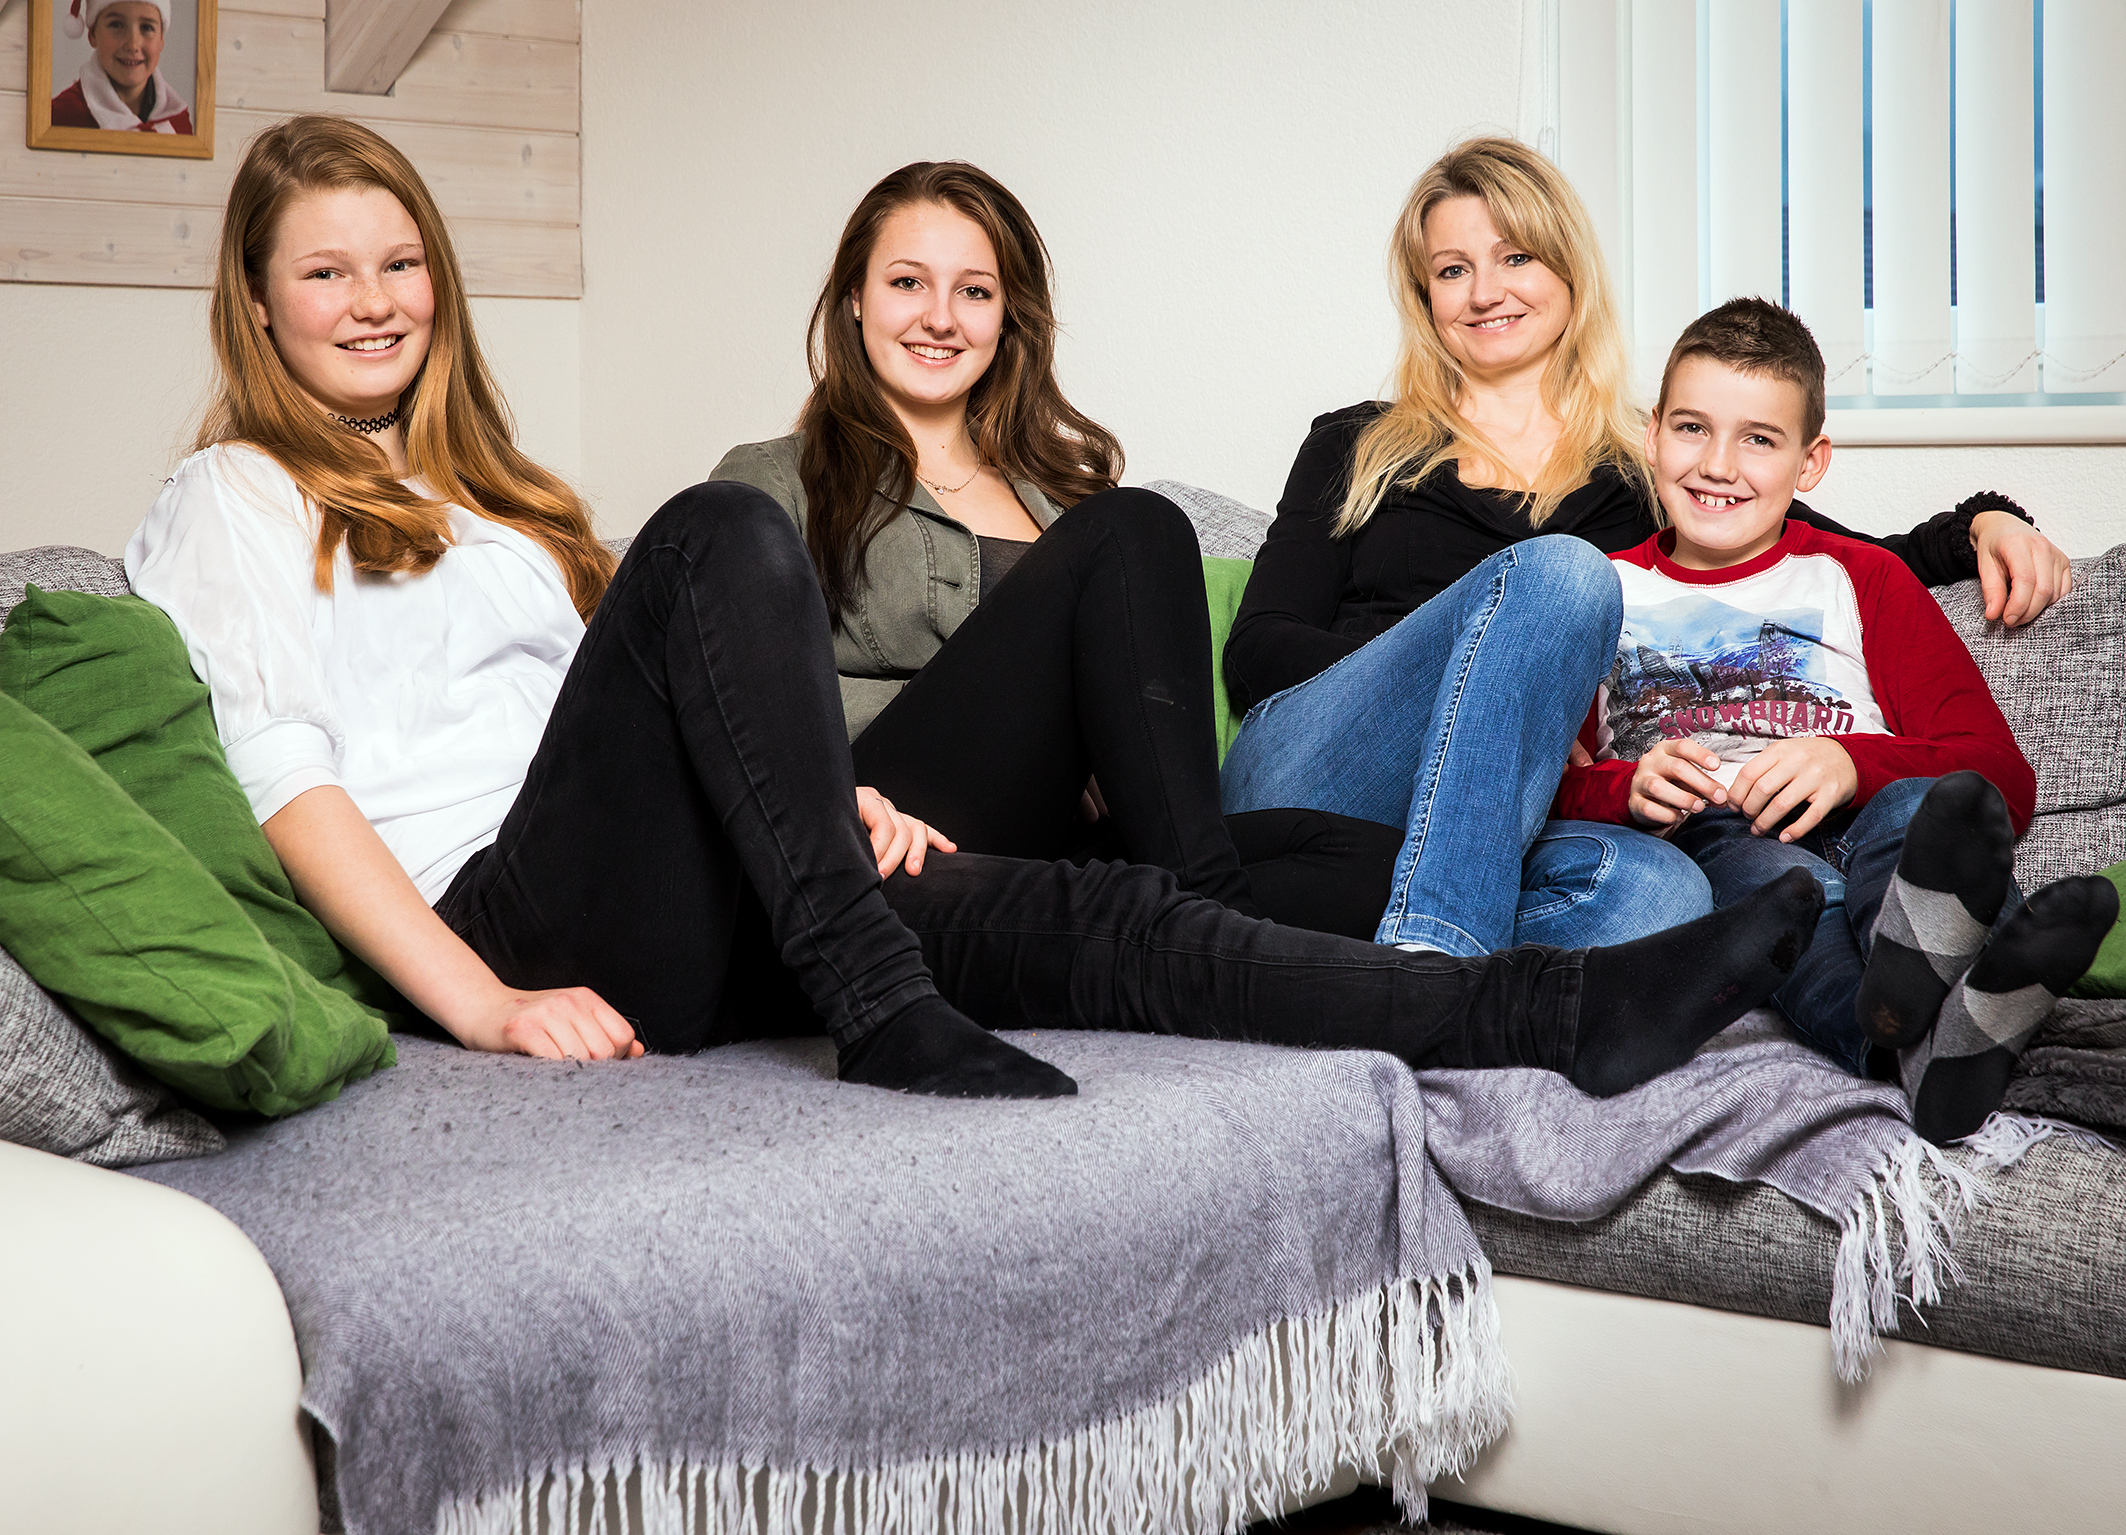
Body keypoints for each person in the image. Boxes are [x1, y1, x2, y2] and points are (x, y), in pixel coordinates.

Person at [124, 115, 1824, 1109]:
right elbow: (290, 782)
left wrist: (807, 794)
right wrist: (478, 1003)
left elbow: (627, 731)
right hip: (498, 910)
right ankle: (880, 1003)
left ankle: (1535, 1013)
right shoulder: (233, 494)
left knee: (1119, 908)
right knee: (718, 531)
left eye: (399, 264)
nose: (373, 301)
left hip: (702, 894)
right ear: (258, 307)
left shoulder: (501, 510)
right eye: (325, 272)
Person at [1221, 136, 2078, 961]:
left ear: (1567, 271)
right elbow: (1259, 650)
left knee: (1665, 895)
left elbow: (1813, 547)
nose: (1485, 292)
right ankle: (1430, 963)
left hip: (1488, 831)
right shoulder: (1354, 445)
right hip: (1329, 779)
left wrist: (1984, 520)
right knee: (1564, 575)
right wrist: (1495, 683)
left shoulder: (1654, 469)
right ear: (1425, 296)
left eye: (1515, 257)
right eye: (1452, 270)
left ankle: (1418, 933)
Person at [711, 160, 1368, 929]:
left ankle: (1175, 920)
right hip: (883, 827)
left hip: (1043, 842)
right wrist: (834, 791)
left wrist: (1091, 735)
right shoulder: (770, 480)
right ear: (855, 297)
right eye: (908, 283)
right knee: (1139, 523)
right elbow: (727, 693)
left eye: (974, 292)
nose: (940, 318)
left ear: (1006, 316)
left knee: (1364, 858)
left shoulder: (1060, 496)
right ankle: (1211, 926)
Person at [1554, 298, 2116, 1143]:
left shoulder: (1866, 578)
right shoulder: (1596, 591)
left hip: (1873, 817)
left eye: (1759, 438)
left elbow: (2001, 774)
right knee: (1782, 898)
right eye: (1692, 428)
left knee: (1923, 810)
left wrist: (1854, 764)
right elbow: (1535, 794)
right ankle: (1928, 1047)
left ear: (1810, 461)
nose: (1717, 464)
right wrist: (1626, 788)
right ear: (1651, 436)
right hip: (1723, 835)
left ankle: (1959, 1005)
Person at [50, 0, 192, 135]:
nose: (133, 45)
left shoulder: (179, 124)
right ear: (93, 34)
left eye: (146, 27)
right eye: (116, 25)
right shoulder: (60, 117)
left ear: (161, 38)